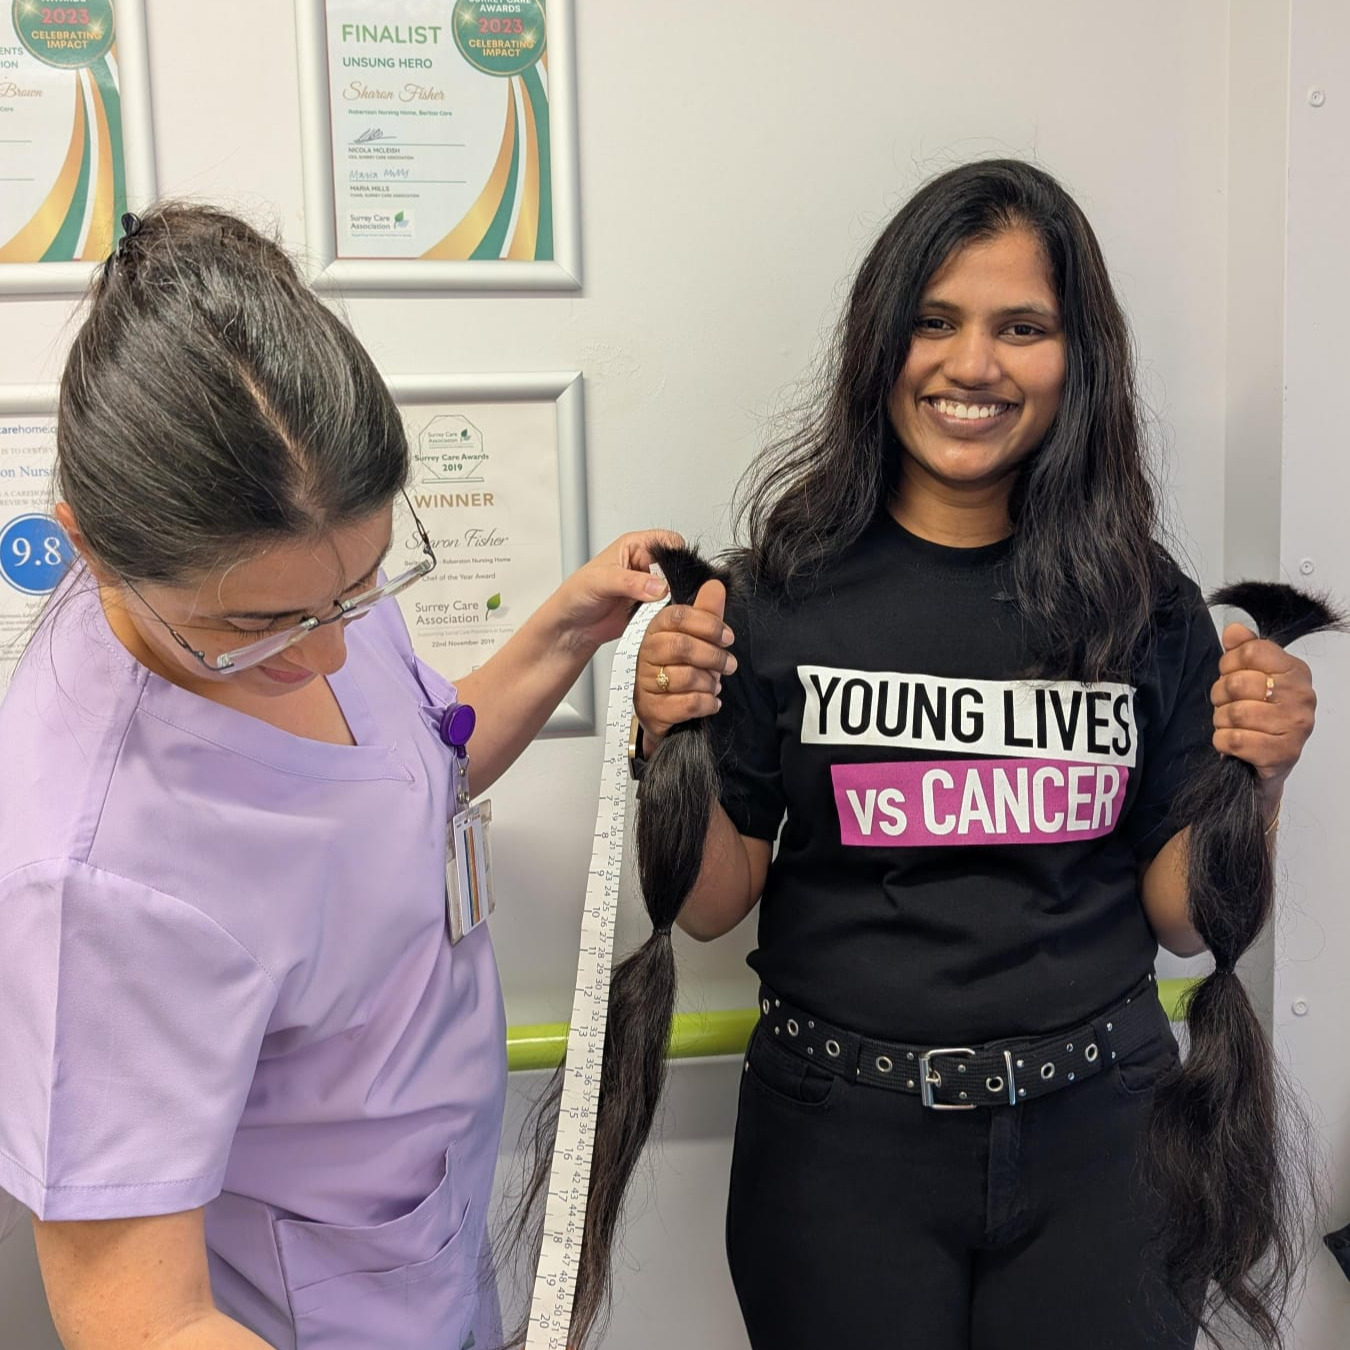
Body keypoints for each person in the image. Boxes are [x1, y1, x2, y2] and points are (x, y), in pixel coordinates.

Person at [632, 160, 1320, 1350]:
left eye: (1023, 328)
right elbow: (709, 904)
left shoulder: (1143, 602)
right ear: (880, 344)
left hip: (1105, 1141)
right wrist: (665, 738)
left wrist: (1262, 774)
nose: (973, 364)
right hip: (840, 1148)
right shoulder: (777, 593)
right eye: (935, 321)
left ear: (1077, 358)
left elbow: (1184, 922)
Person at [0, 204, 675, 1350]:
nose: (326, 652)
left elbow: (408, 774)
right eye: (259, 627)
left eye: (362, 587)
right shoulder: (92, 885)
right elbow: (144, 1323)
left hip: (424, 1248)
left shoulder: (297, 577)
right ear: (94, 548)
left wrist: (565, 633)